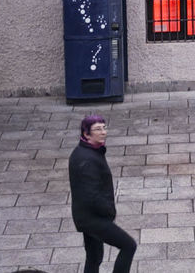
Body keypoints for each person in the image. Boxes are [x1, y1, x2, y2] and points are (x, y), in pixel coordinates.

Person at [69, 114, 137, 273]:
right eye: (98, 129)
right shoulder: (86, 159)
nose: (103, 132)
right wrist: (108, 211)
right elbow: (91, 195)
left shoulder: (88, 151)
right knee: (128, 246)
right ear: (86, 134)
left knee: (94, 257)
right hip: (93, 218)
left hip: (85, 216)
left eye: (104, 128)